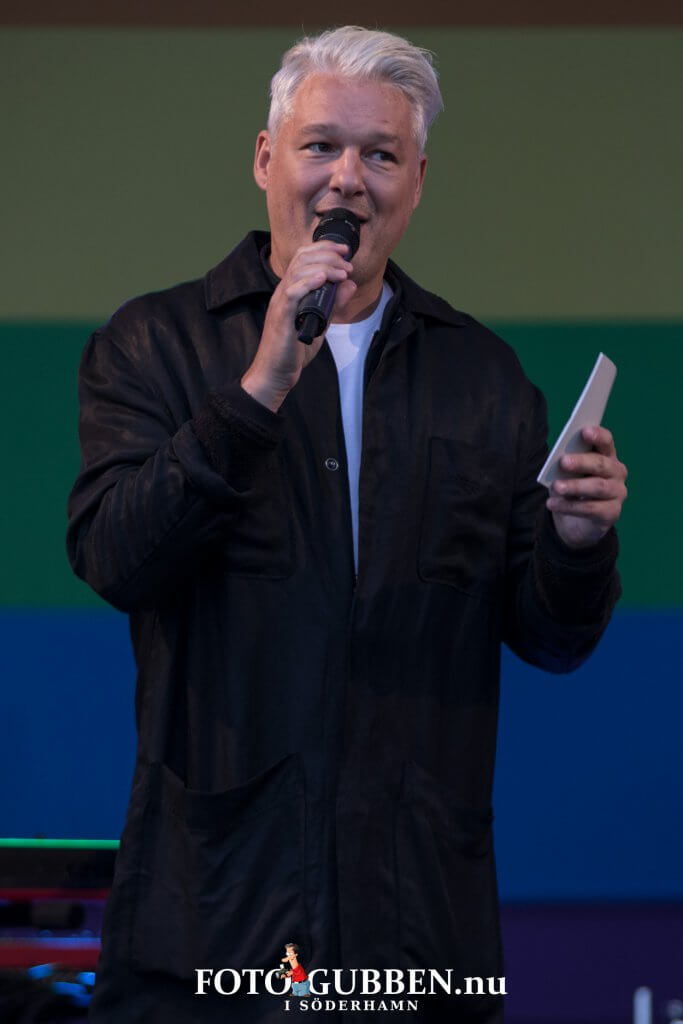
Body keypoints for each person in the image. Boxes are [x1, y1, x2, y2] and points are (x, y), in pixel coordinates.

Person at [66, 25, 627, 1024]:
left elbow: (548, 636)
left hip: (417, 922)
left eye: (379, 155)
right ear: (264, 159)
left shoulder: (482, 378)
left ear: (416, 181)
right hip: (212, 921)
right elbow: (116, 556)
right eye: (320, 146)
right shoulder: (154, 345)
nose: (346, 181)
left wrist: (576, 546)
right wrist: (259, 387)